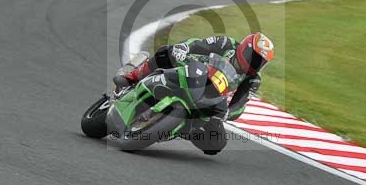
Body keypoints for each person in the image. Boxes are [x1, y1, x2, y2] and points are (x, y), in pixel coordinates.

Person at [114, 33, 275, 122]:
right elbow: (198, 43)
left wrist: (228, 113)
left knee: (215, 144)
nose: (255, 64)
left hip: (212, 95)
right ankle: (132, 75)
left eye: (260, 62)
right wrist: (184, 47)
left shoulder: (253, 79)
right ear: (244, 48)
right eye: (254, 57)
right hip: (192, 68)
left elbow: (240, 104)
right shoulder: (227, 43)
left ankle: (178, 128)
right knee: (167, 52)